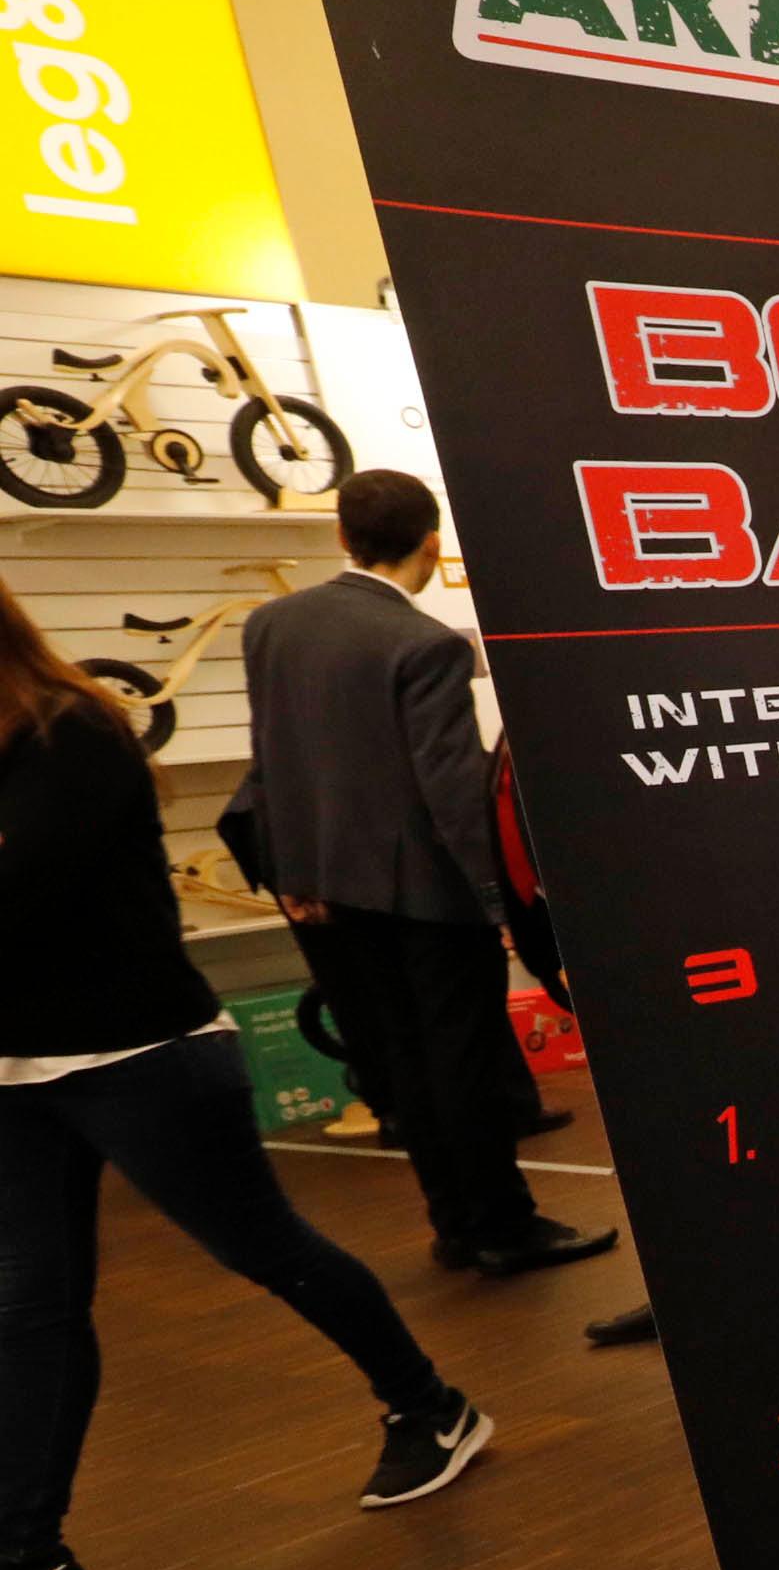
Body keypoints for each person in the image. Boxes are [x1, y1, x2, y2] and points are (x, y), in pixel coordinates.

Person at [0, 581, 487, 1570]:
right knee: (28, 1305)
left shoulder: (70, 730)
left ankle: (431, 1407)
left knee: (268, 1248)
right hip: (14, 1073)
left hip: (140, 1052)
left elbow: (21, 893)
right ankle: (26, 1552)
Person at [236, 468, 610, 1276]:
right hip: (426, 899)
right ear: (433, 545)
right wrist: (499, 900)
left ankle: (454, 1225)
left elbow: (272, 760)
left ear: (341, 536)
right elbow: (449, 787)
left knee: (397, 1068)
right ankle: (502, 1228)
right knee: (462, 1067)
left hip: (322, 896)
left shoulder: (271, 625)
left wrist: (287, 870)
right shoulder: (426, 644)